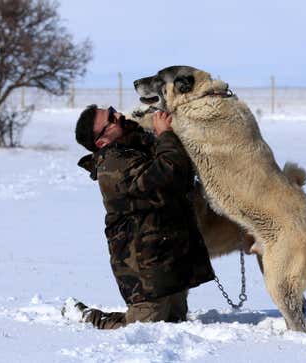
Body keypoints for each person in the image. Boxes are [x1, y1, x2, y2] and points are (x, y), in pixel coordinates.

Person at [68, 104, 215, 329]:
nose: (118, 115)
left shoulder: (136, 146)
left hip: (168, 259)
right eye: (111, 119)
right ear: (102, 142)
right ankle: (87, 317)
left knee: (175, 322)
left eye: (112, 110)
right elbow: (167, 175)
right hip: (145, 268)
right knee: (143, 328)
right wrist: (165, 135)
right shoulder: (113, 165)